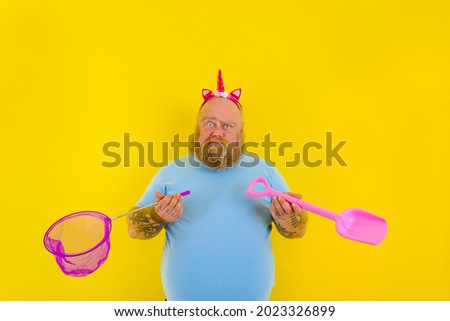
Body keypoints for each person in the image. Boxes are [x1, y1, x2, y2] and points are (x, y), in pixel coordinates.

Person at [127, 70, 308, 300]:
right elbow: (134, 229)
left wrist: (287, 218)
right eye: (209, 123)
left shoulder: (265, 171)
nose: (217, 132)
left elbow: (297, 230)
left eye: (228, 126)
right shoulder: (170, 173)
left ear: (241, 133)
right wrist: (158, 214)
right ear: (198, 127)